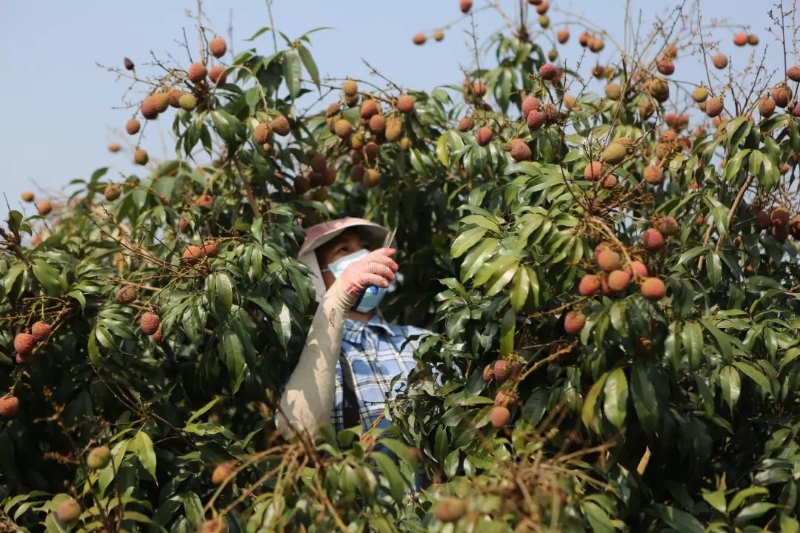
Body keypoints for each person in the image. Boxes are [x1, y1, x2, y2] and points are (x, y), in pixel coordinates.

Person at [275, 217, 431, 440]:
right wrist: (336, 301)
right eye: (343, 249)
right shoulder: (306, 355)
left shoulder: (422, 342)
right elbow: (299, 432)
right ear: (314, 276)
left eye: (366, 247)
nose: (363, 256)